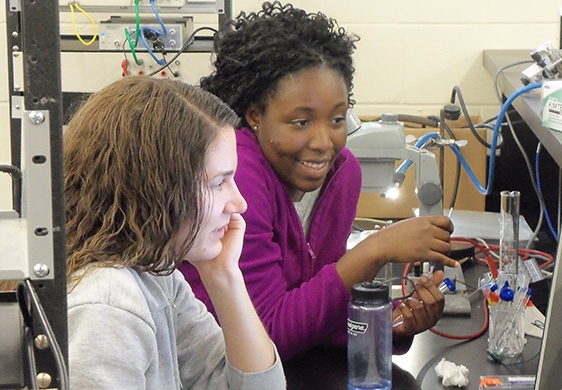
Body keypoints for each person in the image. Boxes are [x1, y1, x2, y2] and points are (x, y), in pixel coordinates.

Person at [180, 1, 459, 360]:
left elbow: (312, 313)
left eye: (337, 119)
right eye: (301, 122)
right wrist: (374, 251)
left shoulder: (342, 176)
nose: (323, 142)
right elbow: (266, 337)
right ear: (254, 115)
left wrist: (389, 324)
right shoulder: (236, 181)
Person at [64, 76, 286, 390]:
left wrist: (223, 274)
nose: (239, 203)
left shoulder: (156, 273)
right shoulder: (108, 304)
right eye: (217, 183)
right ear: (157, 189)